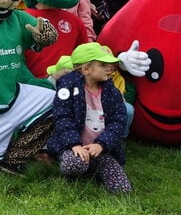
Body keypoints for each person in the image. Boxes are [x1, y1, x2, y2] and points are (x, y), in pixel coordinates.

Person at [46, 43, 132, 194]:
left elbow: (118, 121)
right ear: (86, 69)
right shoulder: (67, 88)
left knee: (123, 189)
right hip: (74, 149)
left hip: (101, 150)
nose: (109, 68)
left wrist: (102, 145)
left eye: (110, 64)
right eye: (103, 64)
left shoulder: (112, 91)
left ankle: (94, 167)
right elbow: (62, 118)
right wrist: (75, 145)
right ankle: (79, 170)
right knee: (74, 164)